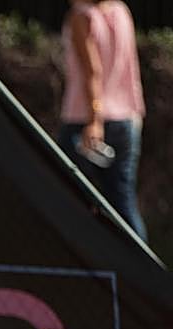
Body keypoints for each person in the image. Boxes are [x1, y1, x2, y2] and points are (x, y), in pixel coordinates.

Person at [57, 0, 147, 242]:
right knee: (123, 202)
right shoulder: (120, 11)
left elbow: (92, 72)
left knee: (70, 200)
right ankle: (144, 272)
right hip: (126, 120)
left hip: (84, 123)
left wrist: (94, 120)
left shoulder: (81, 17)